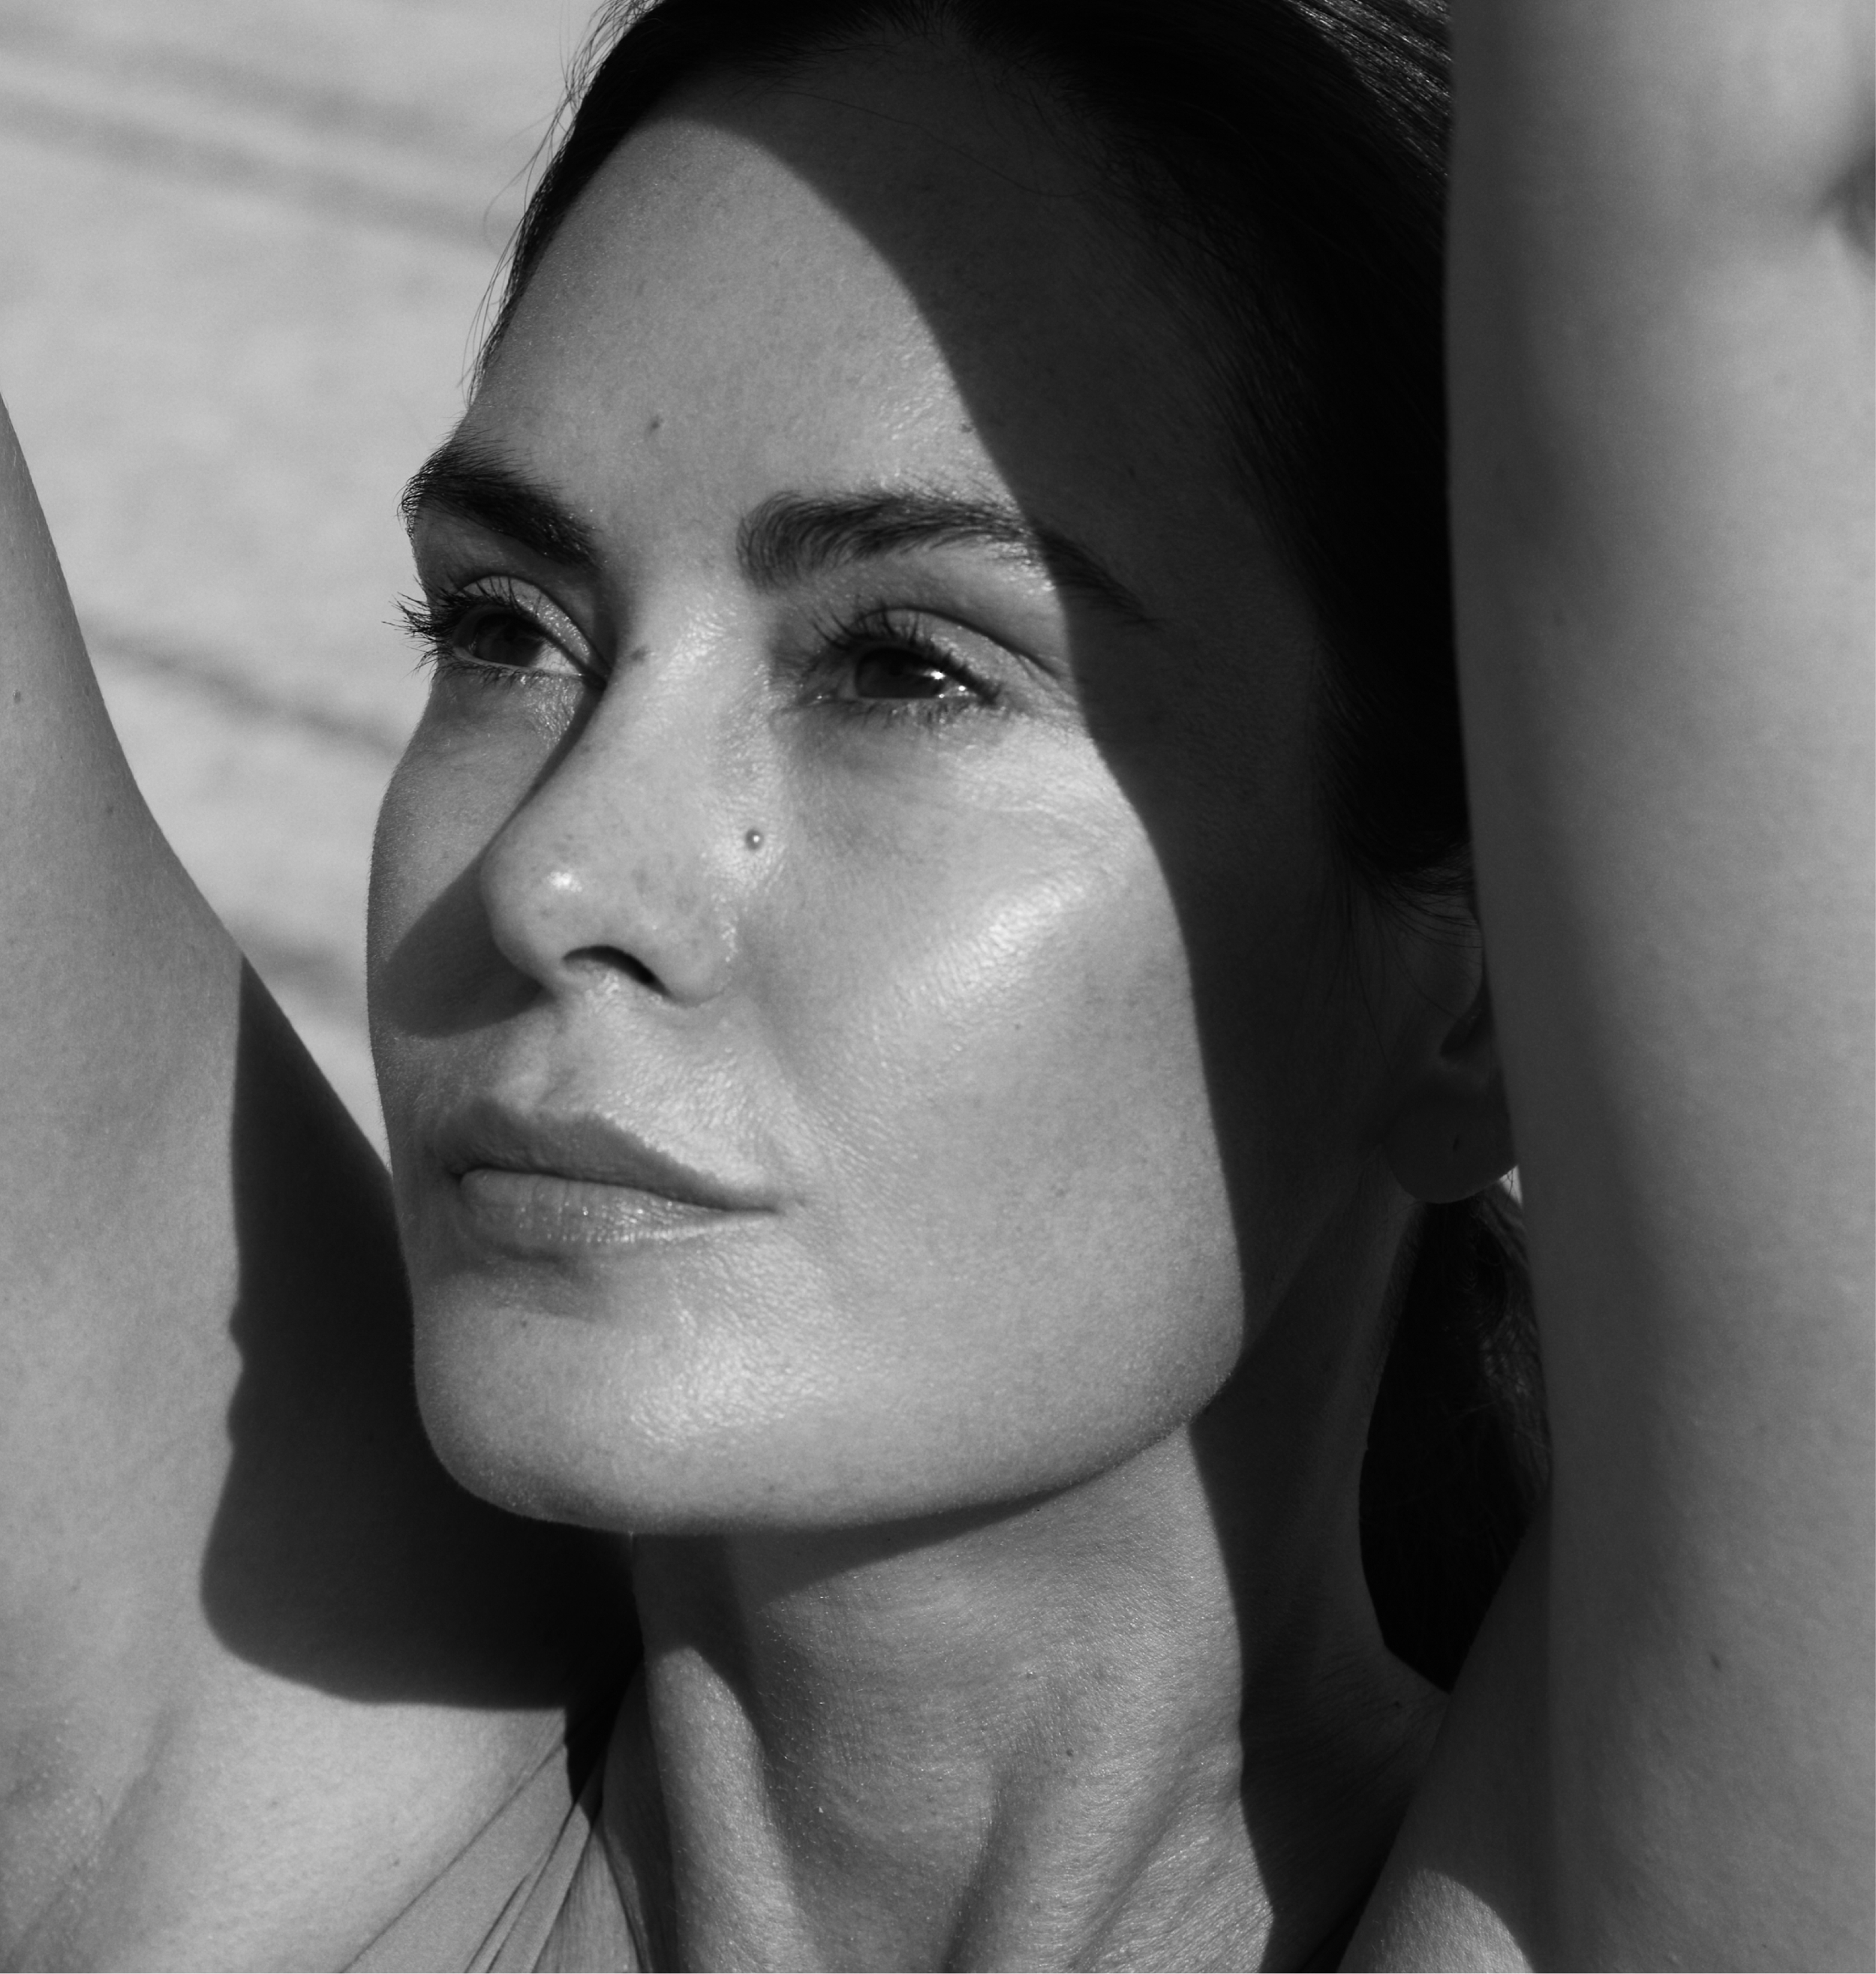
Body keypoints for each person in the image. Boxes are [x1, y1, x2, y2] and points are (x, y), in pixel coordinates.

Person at [2, 0, 1872, 1967]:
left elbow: (1728, 187)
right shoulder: (247, 1816)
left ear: (1475, 993)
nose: (551, 873)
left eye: (904, 664)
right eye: (501, 626)